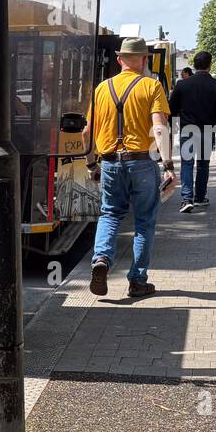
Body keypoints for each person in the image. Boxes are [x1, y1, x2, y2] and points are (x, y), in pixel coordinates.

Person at [84, 37, 174, 299]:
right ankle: (137, 281)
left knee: (110, 214)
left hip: (110, 162)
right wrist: (168, 164)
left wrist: (91, 164)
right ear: (144, 60)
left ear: (119, 59)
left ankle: (101, 259)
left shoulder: (102, 89)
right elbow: (159, 127)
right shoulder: (151, 86)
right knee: (145, 222)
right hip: (142, 162)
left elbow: (87, 132)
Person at [168, 50, 216, 212]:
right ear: (210, 65)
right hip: (208, 129)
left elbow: (171, 109)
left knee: (187, 164)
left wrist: (171, 126)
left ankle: (186, 198)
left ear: (194, 65)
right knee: (203, 164)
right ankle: (200, 197)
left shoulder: (182, 85)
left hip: (187, 129)